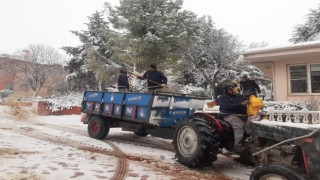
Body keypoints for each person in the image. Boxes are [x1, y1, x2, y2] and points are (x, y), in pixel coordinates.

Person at [217, 84, 249, 150]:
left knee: (252, 124)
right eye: (230, 90)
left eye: (233, 89)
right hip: (229, 115)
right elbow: (228, 107)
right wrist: (241, 105)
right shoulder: (223, 97)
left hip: (243, 115)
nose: (233, 91)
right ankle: (238, 145)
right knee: (239, 126)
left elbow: (246, 100)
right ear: (226, 90)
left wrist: (251, 99)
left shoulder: (238, 96)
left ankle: (250, 142)